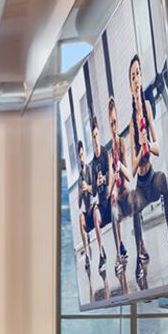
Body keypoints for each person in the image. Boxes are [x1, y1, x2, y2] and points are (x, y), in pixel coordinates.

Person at [126, 54, 168, 290]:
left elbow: (157, 147)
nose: (137, 79)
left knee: (163, 181)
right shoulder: (130, 123)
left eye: (138, 73)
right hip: (140, 186)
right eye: (133, 76)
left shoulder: (148, 107)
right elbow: (131, 167)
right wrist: (140, 151)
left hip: (153, 179)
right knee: (132, 200)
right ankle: (140, 252)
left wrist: (148, 142)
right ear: (130, 86)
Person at [73, 121, 110, 294]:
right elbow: (80, 203)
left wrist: (88, 188)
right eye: (78, 157)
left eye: (82, 155)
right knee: (80, 217)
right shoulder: (80, 176)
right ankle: (87, 255)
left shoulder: (89, 169)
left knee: (95, 212)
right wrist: (81, 192)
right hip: (85, 210)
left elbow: (94, 191)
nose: (81, 159)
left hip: (94, 206)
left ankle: (101, 252)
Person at [103, 97, 130, 291]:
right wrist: (109, 184)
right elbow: (111, 183)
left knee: (118, 201)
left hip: (127, 192)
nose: (113, 127)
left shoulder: (121, 144)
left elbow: (128, 175)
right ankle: (119, 250)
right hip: (117, 198)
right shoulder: (110, 152)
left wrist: (120, 166)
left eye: (115, 123)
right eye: (111, 124)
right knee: (112, 204)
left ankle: (136, 247)